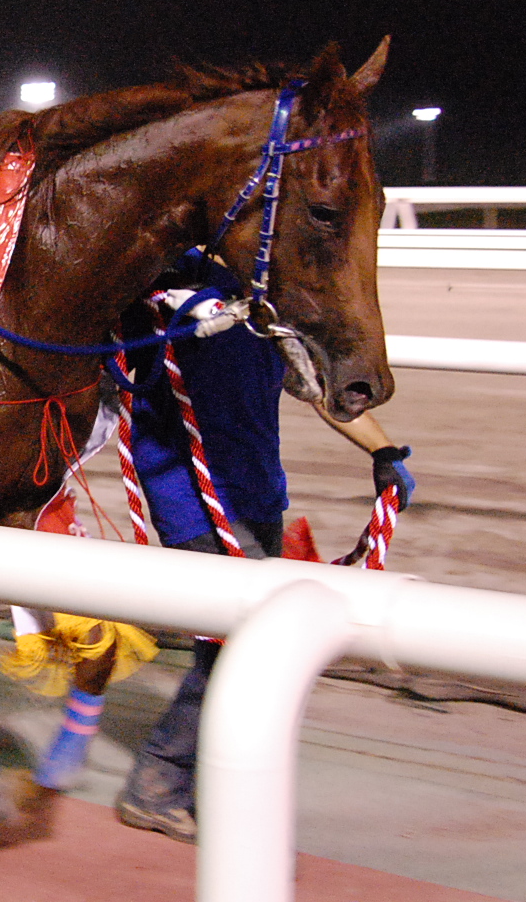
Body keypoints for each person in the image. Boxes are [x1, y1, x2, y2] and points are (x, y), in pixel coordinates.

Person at [114, 251, 414, 843]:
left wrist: (383, 452)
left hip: (257, 492)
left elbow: (317, 385)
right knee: (234, 649)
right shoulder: (166, 276)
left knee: (239, 648)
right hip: (190, 498)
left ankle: (193, 783)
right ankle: (159, 783)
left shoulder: (269, 293)